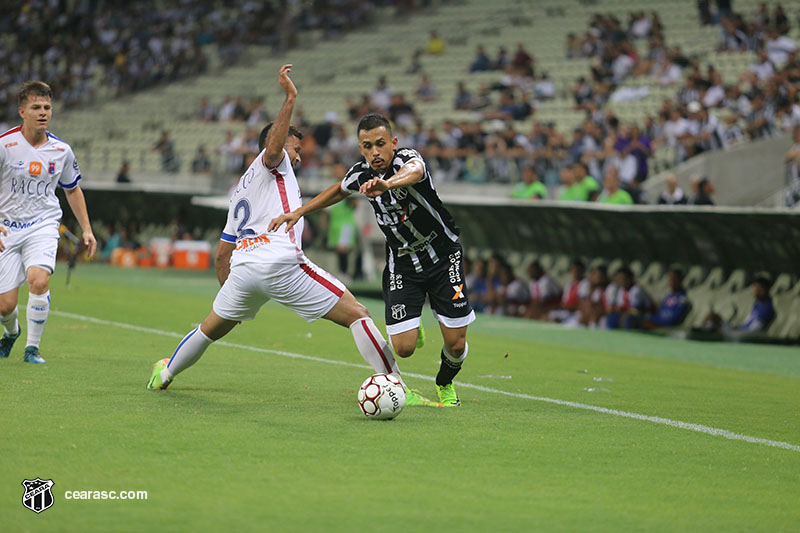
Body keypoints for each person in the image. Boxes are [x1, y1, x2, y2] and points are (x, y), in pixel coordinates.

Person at [147, 66, 440, 408]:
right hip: (278, 261)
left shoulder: (240, 191)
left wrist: (233, 292)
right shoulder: (273, 160)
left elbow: (221, 255)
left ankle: (164, 374)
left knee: (209, 329)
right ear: (279, 142)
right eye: (295, 148)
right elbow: (274, 150)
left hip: (243, 267)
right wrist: (290, 98)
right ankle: (399, 388)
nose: (298, 156)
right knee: (358, 314)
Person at [269, 112, 475, 407]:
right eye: (366, 146)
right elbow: (338, 191)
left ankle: (444, 381)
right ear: (360, 148)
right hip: (403, 263)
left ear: (393, 142)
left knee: (455, 345)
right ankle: (412, 325)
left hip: (443, 257)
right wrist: (299, 211)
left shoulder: (407, 160)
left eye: (380, 144)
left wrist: (388, 185)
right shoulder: (360, 175)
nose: (374, 152)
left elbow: (415, 171)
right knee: (403, 349)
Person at [0, 80, 97, 364]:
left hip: (42, 225)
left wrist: (87, 229)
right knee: (5, 305)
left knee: (38, 281)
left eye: (47, 107)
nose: (43, 112)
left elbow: (72, 189)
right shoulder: (5, 145)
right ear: (22, 111)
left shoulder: (62, 151)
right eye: (36, 107)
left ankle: (32, 348)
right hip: (7, 227)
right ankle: (12, 332)